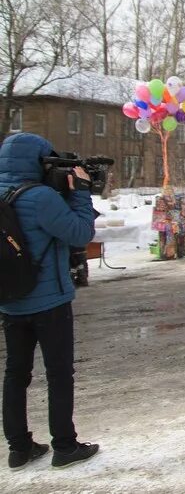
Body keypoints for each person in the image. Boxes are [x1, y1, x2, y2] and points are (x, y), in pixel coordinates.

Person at [0, 133, 101, 469]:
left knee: (16, 374)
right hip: (50, 302)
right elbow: (80, 233)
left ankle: (19, 448)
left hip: (10, 299)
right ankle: (65, 446)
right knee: (59, 374)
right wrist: (81, 194)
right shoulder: (42, 198)